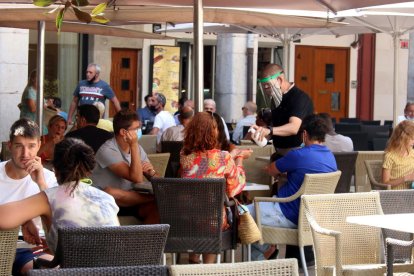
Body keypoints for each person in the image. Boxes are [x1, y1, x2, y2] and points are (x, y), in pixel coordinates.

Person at [0, 138, 119, 272]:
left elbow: (2, 218)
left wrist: (24, 220)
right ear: (88, 170)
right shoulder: (108, 199)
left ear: (54, 168)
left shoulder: (50, 198)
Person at [247, 114, 337, 261]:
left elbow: (271, 170)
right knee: (257, 213)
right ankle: (266, 248)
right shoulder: (330, 157)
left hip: (286, 214)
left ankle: (259, 259)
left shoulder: (298, 154)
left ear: (305, 134)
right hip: (312, 219)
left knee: (241, 214)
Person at [180, 111, 250, 263]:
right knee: (212, 215)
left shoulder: (184, 156)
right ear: (212, 132)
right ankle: (208, 266)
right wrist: (239, 159)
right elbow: (234, 187)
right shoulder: (223, 157)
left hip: (186, 219)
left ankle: (193, 259)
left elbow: (203, 165)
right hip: (213, 221)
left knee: (202, 215)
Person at [0, 118, 58, 275]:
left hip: (32, 248)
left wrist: (41, 185)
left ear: (39, 145)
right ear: (10, 146)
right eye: (19, 146)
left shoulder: (49, 178)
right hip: (1, 246)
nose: (26, 154)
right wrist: (24, 220)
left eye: (31, 146)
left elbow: (58, 221)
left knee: (50, 272)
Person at [91, 109, 158, 224]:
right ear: (123, 132)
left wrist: (151, 172)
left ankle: (146, 241)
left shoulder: (138, 149)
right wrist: (134, 144)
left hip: (131, 199)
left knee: (157, 208)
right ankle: (157, 197)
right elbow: (136, 178)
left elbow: (157, 180)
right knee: (110, 192)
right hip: (107, 201)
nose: (139, 131)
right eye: (136, 128)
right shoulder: (107, 150)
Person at [252, 64, 314, 156]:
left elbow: (294, 127)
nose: (266, 91)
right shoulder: (276, 100)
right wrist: (261, 132)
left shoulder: (299, 98)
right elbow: (275, 127)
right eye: (264, 87)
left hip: (297, 153)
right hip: (278, 152)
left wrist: (269, 130)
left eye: (268, 86)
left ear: (279, 80)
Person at [382, 120, 414, 189]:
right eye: (412, 138)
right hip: (396, 195)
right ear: (403, 138)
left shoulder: (412, 152)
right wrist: (406, 178)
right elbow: (385, 183)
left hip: (411, 192)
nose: (413, 141)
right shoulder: (390, 156)